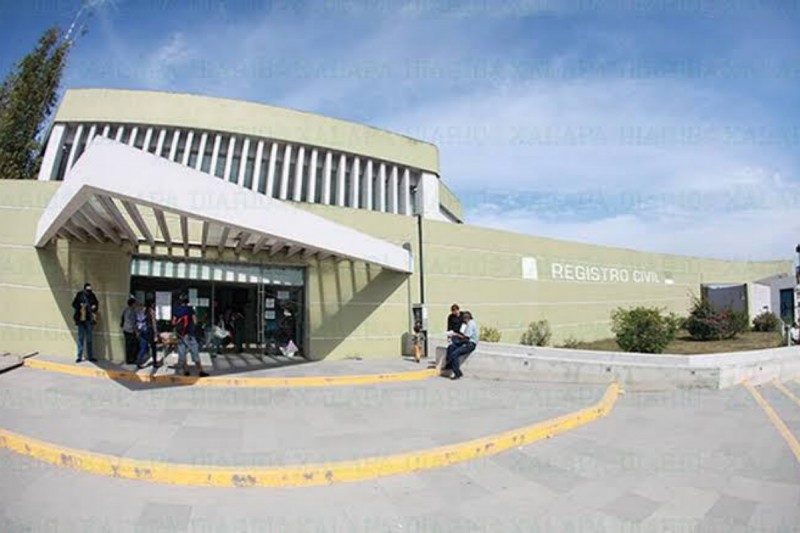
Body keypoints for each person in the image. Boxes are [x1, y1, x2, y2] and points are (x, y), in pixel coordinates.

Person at [172, 293, 209, 377]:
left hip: (181, 335)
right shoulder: (190, 309)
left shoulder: (176, 310)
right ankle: (200, 371)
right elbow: (195, 321)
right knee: (195, 352)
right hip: (190, 334)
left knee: (183, 353)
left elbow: (173, 322)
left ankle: (186, 371)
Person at [445, 311, 479, 380]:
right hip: (466, 341)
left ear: (466, 318)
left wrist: (456, 336)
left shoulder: (470, 324)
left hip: (470, 344)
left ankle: (457, 373)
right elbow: (464, 335)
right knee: (451, 347)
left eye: (463, 319)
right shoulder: (468, 324)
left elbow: (466, 338)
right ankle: (449, 364)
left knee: (455, 354)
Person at [72, 282, 99, 363]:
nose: (88, 292)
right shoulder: (79, 295)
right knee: (80, 338)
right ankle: (79, 356)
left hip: (89, 320)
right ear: (84, 289)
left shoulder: (92, 295)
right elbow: (74, 304)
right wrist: (80, 305)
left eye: (89, 291)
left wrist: (94, 307)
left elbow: (96, 304)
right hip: (81, 319)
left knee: (89, 339)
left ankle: (90, 356)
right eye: (87, 291)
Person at [135, 302, 160, 369]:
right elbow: (154, 324)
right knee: (153, 348)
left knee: (143, 348)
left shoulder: (140, 311)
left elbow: (137, 323)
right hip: (150, 332)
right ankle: (155, 363)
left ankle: (139, 362)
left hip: (143, 332)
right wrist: (156, 334)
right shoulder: (151, 312)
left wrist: (137, 332)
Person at [120, 296, 138, 364]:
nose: (136, 305)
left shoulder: (126, 309)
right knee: (133, 345)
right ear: (132, 304)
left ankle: (128, 359)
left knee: (128, 345)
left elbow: (122, 318)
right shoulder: (132, 311)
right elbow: (133, 322)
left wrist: (122, 325)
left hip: (125, 329)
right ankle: (131, 359)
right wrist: (136, 331)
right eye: (135, 303)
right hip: (130, 330)